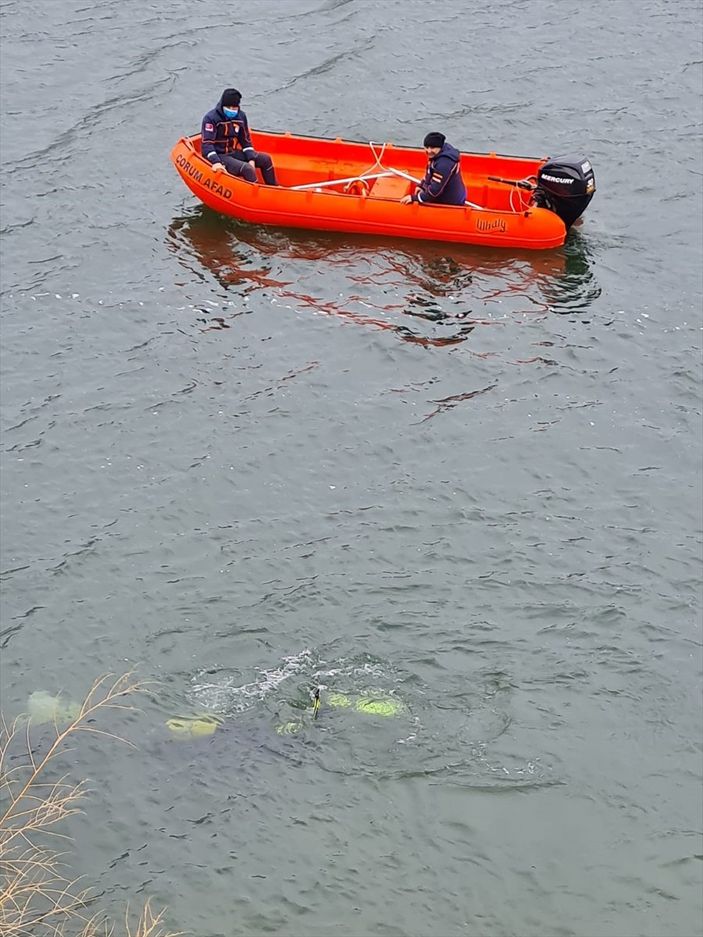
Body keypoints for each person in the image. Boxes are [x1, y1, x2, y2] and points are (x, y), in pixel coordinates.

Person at [201, 88, 277, 185]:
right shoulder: (211, 118)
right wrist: (216, 162)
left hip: (232, 152)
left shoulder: (241, 117)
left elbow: (245, 140)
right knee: (247, 169)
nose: (231, 110)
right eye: (229, 107)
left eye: (234, 108)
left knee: (265, 159)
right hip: (219, 154)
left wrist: (251, 158)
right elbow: (207, 144)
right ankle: (257, 191)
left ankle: (274, 187)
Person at [400, 132, 466, 206]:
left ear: (440, 147)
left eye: (432, 148)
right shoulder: (437, 155)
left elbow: (435, 191)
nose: (429, 151)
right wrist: (422, 186)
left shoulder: (444, 164)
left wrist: (415, 198)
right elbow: (429, 172)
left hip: (450, 201)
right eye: (426, 147)